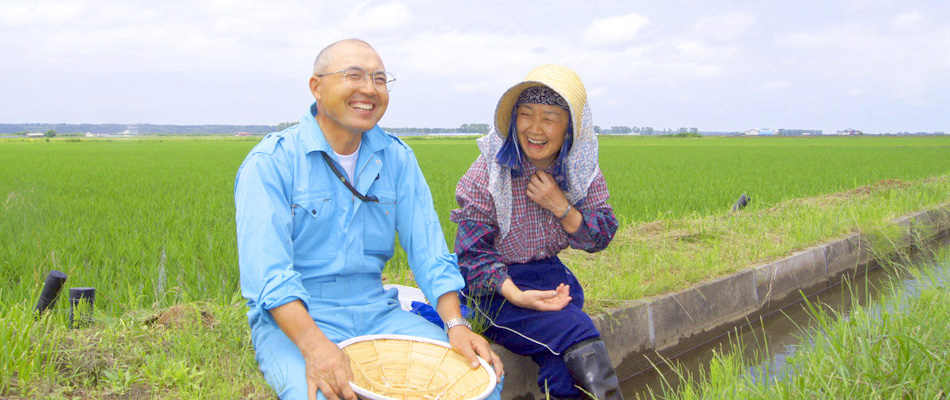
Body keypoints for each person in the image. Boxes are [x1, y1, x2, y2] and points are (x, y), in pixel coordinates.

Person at [235, 38, 503, 400]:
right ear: (316, 86)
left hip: (377, 310)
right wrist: (314, 346)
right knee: (317, 395)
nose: (369, 89)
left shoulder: (397, 158)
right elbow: (268, 276)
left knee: (478, 380)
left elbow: (429, 252)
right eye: (354, 76)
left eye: (379, 79)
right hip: (297, 318)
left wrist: (455, 324)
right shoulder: (272, 163)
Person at [451, 64, 621, 400]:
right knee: (577, 330)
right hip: (495, 292)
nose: (535, 128)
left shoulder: (579, 171)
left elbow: (601, 234)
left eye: (550, 117)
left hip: (550, 279)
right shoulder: (487, 174)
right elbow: (472, 257)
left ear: (570, 126)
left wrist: (561, 206)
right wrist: (514, 293)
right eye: (526, 114)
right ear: (513, 119)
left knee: (558, 359)